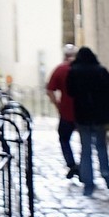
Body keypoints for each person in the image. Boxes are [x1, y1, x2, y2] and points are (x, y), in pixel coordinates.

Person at [68, 44, 109, 197]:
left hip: (83, 116)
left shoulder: (74, 71)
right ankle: (106, 176)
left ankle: (88, 183)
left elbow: (70, 92)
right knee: (101, 147)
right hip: (99, 116)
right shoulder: (101, 71)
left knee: (85, 150)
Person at [45, 44, 79, 180]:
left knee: (64, 138)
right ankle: (84, 167)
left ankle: (71, 164)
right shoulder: (81, 69)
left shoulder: (60, 69)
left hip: (66, 111)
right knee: (86, 142)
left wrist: (57, 105)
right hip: (84, 112)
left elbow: (49, 90)